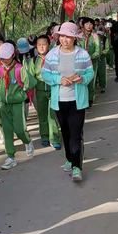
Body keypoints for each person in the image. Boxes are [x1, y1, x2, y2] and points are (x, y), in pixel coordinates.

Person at [41, 22, 94, 182]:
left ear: (74, 38)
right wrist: (58, 79)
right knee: (66, 133)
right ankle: (70, 159)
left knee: (75, 135)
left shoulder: (83, 54)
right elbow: (45, 75)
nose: (65, 40)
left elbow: (90, 72)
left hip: (77, 101)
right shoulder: (51, 55)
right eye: (62, 36)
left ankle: (77, 167)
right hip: (60, 101)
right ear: (58, 37)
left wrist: (82, 78)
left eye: (69, 37)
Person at [0, 42, 36, 170]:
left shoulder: (20, 68)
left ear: (13, 55)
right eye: (2, 57)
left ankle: (27, 141)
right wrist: (2, 91)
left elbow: (30, 82)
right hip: (4, 104)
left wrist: (21, 92)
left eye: (7, 57)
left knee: (20, 129)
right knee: (7, 131)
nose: (4, 59)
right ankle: (10, 157)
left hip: (17, 104)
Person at [32, 35, 61, 149]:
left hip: (53, 88)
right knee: (42, 114)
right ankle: (44, 136)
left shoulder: (54, 58)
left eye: (44, 44)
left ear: (49, 45)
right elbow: (30, 76)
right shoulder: (34, 60)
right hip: (39, 91)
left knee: (53, 115)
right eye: (39, 45)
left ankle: (55, 138)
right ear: (36, 46)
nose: (41, 47)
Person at [78, 17, 100, 107]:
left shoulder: (95, 36)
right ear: (82, 25)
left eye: (91, 24)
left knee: (91, 81)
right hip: (79, 63)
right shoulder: (78, 36)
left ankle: (90, 99)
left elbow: (98, 50)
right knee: (81, 81)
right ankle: (82, 99)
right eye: (86, 24)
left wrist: (90, 57)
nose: (89, 26)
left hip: (92, 63)